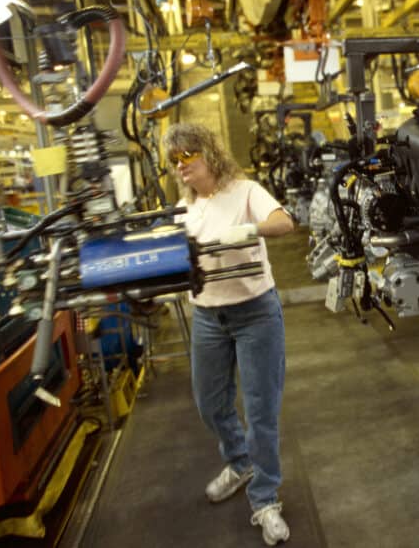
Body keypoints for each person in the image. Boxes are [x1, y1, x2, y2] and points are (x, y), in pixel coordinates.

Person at [163, 122, 294, 546]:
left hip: (255, 313)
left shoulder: (245, 190)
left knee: (260, 409)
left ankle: (265, 499)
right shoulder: (186, 209)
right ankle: (241, 463)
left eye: (187, 156)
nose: (180, 167)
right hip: (207, 318)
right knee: (210, 403)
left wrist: (250, 230)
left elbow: (283, 221)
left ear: (208, 153)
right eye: (173, 160)